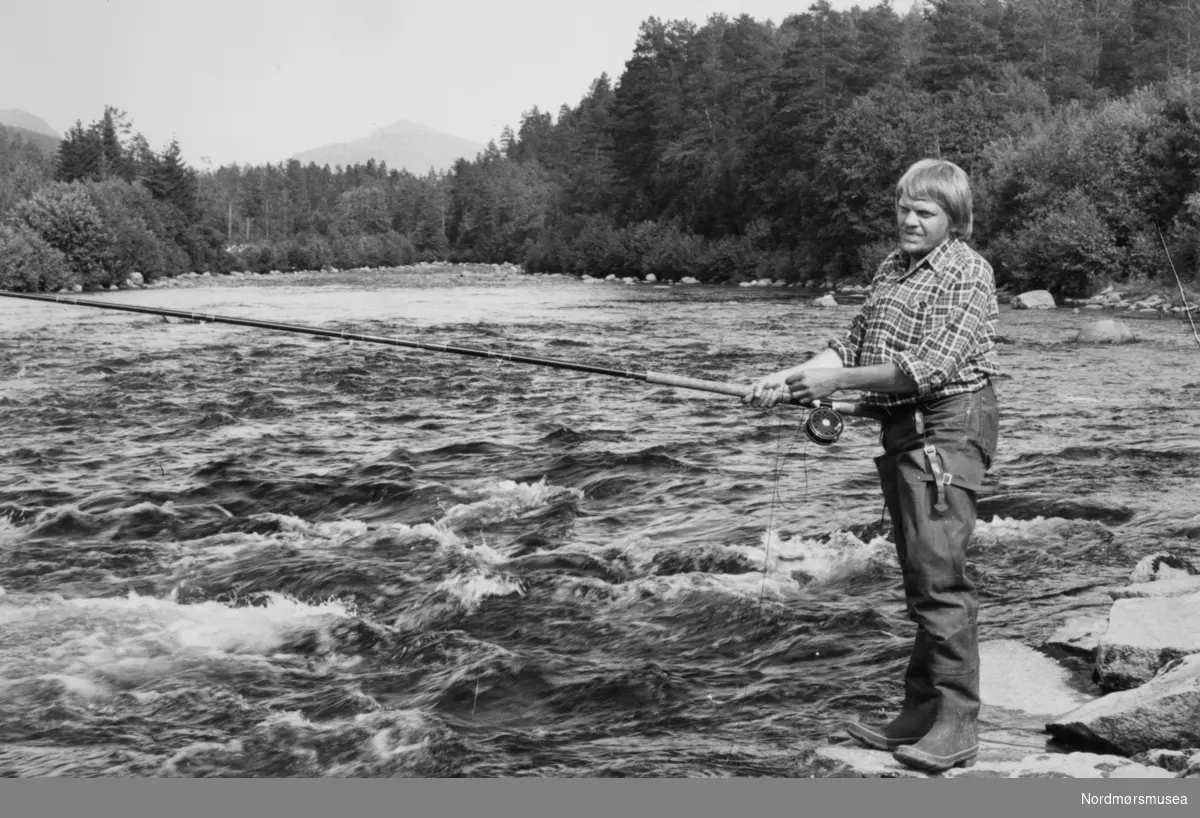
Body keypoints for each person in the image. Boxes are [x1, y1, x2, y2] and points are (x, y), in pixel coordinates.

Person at [745, 158, 1000, 773]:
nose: (910, 220)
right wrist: (790, 375)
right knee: (919, 572)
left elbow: (927, 368)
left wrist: (835, 381)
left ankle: (958, 722)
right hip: (903, 428)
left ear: (954, 219)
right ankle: (920, 711)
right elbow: (853, 342)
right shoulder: (893, 268)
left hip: (950, 425)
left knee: (939, 574)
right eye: (905, 208)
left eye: (926, 212)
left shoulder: (969, 272)